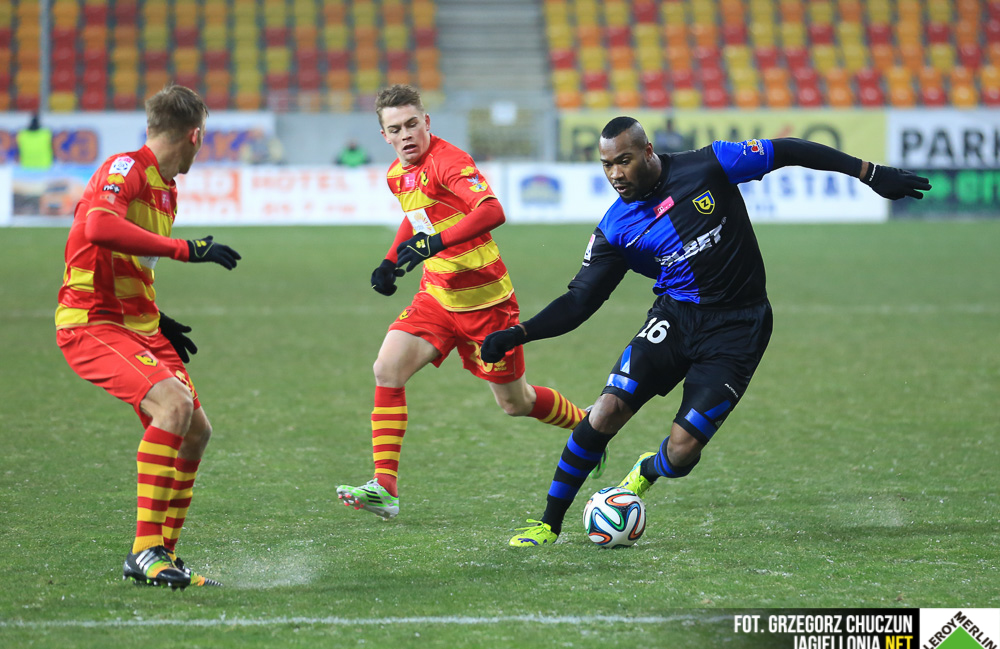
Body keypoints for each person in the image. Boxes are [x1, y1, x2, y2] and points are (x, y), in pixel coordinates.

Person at [481, 116, 931, 547]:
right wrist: (519, 333)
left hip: (739, 328)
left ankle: (646, 471)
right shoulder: (616, 228)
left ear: (647, 151)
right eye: (606, 165)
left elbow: (788, 150)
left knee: (681, 453)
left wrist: (870, 173)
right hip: (675, 319)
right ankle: (548, 524)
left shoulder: (711, 164)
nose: (615, 174)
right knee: (605, 411)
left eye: (624, 160)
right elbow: (580, 301)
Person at [335, 84, 594, 520]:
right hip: (436, 296)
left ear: (426, 122)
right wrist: (389, 261)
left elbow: (492, 211)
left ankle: (588, 426)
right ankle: (384, 488)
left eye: (412, 124)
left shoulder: (449, 161)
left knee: (515, 403)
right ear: (384, 136)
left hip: (486, 304)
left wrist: (435, 242)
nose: (406, 135)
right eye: (395, 129)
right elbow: (417, 216)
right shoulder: (397, 174)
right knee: (387, 369)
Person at [55, 85, 242, 587]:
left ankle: (165, 556)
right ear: (194, 135)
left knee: (196, 432)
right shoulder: (126, 169)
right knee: (173, 407)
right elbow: (98, 228)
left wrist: (159, 320)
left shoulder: (167, 188)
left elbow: (127, 261)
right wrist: (186, 249)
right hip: (92, 323)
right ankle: (144, 551)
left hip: (139, 326)